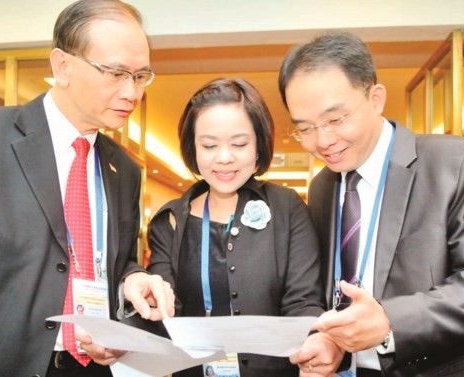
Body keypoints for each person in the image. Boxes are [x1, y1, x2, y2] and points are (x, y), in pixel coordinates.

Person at [0, 1, 175, 376]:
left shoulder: (124, 168)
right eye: (117, 73)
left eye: (141, 76)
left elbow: (114, 260)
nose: (132, 92)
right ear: (62, 65)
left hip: (86, 367)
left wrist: (132, 278)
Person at [279, 32, 464, 376]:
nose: (323, 140)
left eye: (336, 120)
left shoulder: (458, 162)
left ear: (376, 98)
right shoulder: (322, 188)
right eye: (305, 128)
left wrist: (390, 321)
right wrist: (331, 339)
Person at [147, 78, 344, 377]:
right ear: (193, 148)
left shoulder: (286, 208)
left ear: (258, 146)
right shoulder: (170, 220)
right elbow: (162, 313)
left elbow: (303, 301)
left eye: (239, 144)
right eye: (209, 145)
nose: (224, 157)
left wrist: (316, 342)